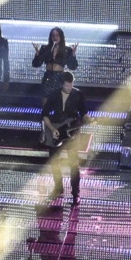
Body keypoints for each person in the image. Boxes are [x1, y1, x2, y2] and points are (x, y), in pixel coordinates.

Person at [40, 71, 90, 201]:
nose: (69, 87)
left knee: (74, 164)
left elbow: (84, 112)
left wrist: (87, 118)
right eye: (67, 85)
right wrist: (52, 129)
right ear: (62, 84)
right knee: (54, 161)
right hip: (57, 131)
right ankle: (58, 188)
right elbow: (44, 114)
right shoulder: (54, 94)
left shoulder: (78, 94)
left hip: (72, 131)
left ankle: (75, 193)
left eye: (71, 85)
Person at [32, 26, 78, 95]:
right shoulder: (45, 48)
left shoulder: (67, 50)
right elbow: (36, 64)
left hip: (59, 78)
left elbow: (72, 67)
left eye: (57, 35)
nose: (55, 37)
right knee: (46, 98)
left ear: (61, 37)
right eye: (53, 35)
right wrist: (37, 53)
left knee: (58, 99)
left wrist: (73, 54)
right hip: (48, 77)